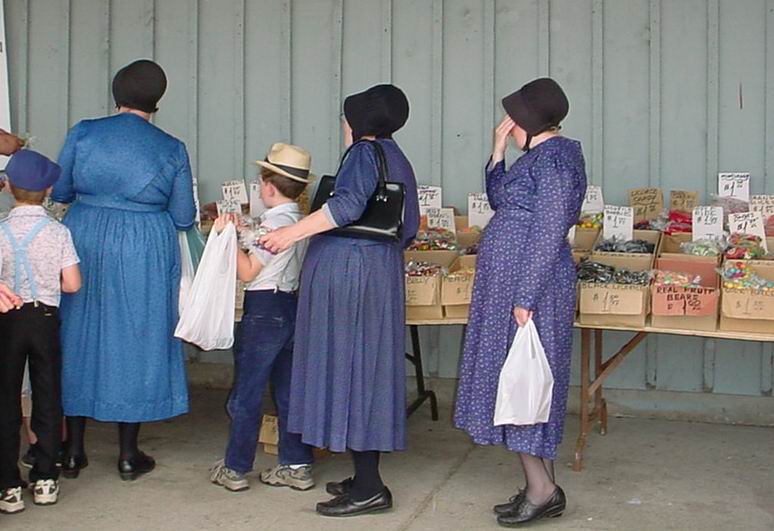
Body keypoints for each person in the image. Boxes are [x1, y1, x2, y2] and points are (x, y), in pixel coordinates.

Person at [260, 84, 419, 518]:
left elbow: (347, 206)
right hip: (378, 272)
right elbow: (410, 227)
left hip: (352, 277)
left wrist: (288, 234)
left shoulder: (364, 154)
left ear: (360, 122)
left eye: (346, 117)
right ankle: (363, 475)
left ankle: (369, 487)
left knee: (351, 371)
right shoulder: (395, 155)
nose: (343, 125)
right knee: (367, 369)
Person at [52, 59, 196, 481]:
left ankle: (74, 451)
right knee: (137, 335)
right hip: (143, 244)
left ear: (117, 94)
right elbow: (184, 216)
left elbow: (61, 190)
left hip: (85, 235)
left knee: (77, 333)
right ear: (157, 102)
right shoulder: (171, 147)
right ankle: (129, 455)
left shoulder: (84, 132)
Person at [453, 78, 586, 527]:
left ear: (528, 122)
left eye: (512, 121)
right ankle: (542, 487)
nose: (507, 126)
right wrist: (497, 151)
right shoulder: (541, 157)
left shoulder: (554, 163)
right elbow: (500, 199)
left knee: (523, 380)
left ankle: (541, 487)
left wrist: (525, 294)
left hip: (529, 286)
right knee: (519, 378)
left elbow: (549, 231)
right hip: (513, 283)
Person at [209, 143, 315, 492]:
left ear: (268, 186)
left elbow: (249, 271)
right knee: (288, 390)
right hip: (290, 306)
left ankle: (236, 466)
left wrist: (225, 238)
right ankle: (297, 463)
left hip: (263, 309)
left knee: (248, 391)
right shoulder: (300, 222)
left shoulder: (272, 224)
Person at [0, 150, 81, 514]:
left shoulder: (0, 230)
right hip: (45, 319)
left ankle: (8, 486)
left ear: (7, 187)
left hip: (7, 320)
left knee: (6, 400)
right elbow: (72, 284)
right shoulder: (58, 231)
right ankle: (46, 477)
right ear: (48, 189)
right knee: (48, 394)